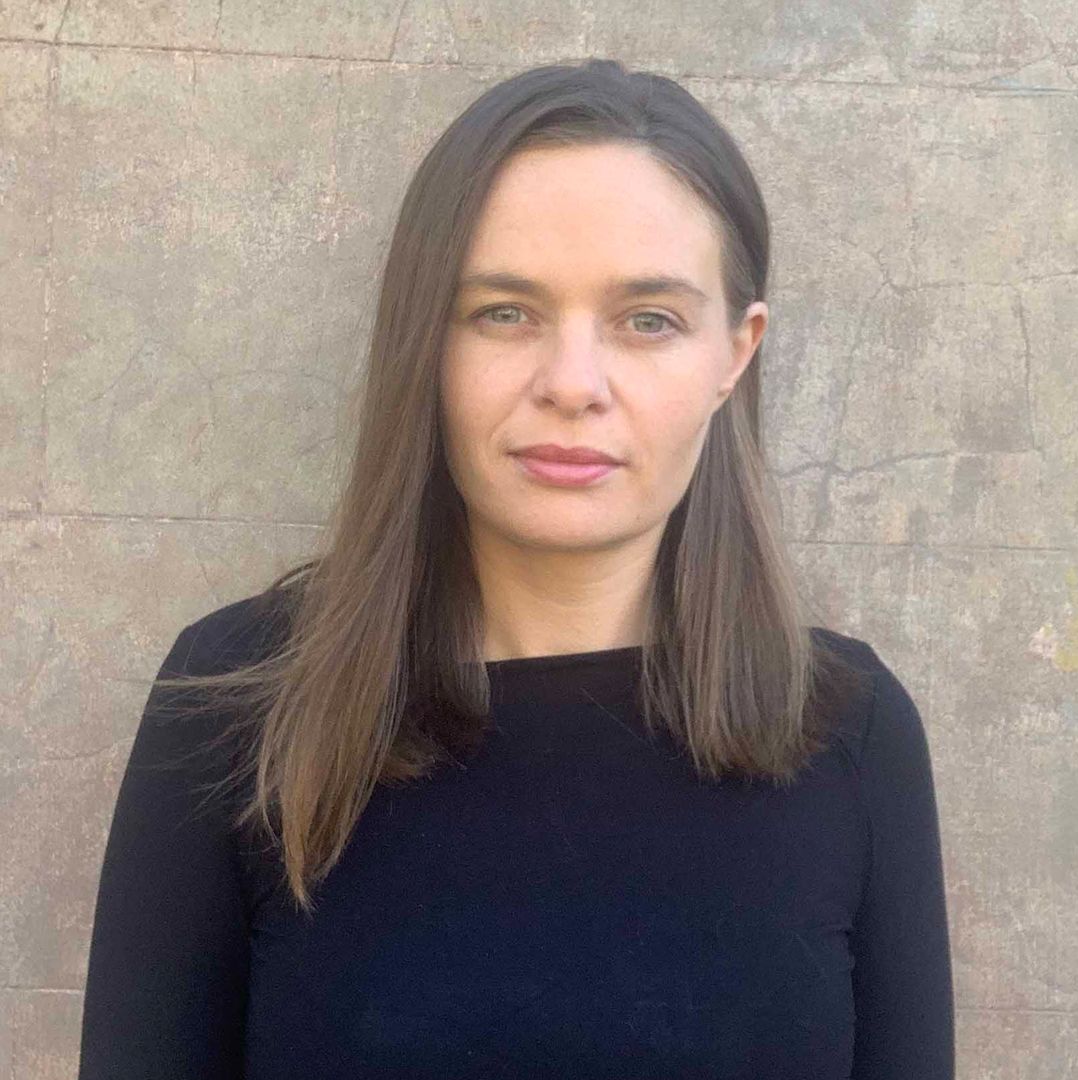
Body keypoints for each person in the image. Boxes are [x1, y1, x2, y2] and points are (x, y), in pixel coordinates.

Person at [77, 58, 954, 1078]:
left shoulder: (850, 730)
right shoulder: (239, 704)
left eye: (648, 320)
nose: (572, 384)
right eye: (505, 311)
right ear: (426, 338)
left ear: (735, 353)